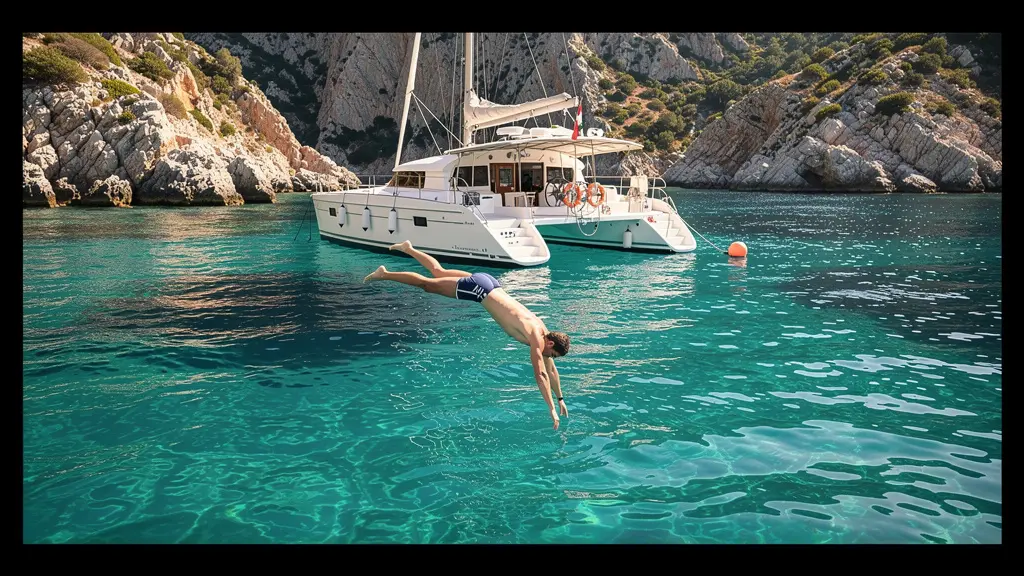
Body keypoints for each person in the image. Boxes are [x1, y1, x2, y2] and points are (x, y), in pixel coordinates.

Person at [364, 240, 571, 429]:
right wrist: (551, 408)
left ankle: (409, 248)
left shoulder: (543, 330)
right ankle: (385, 273)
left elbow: (551, 371)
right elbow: (541, 374)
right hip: (480, 290)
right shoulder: (536, 335)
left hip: (490, 283)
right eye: (551, 355)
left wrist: (560, 398)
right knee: (426, 285)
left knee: (439, 271)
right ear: (550, 343)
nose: (549, 358)